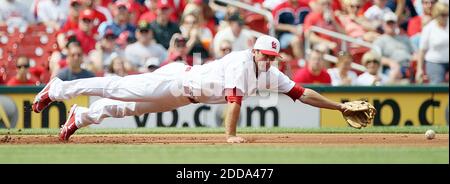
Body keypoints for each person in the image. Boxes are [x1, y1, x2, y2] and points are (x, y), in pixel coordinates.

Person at [32, 35, 357, 143]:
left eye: (273, 56)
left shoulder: (268, 71)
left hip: (181, 96)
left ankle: (81, 116)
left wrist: (340, 107)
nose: (269, 60)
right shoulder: (242, 62)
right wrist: (229, 136)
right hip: (176, 79)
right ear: (255, 50)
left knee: (127, 107)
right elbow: (233, 103)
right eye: (265, 54)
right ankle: (59, 87)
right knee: (119, 87)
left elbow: (302, 93)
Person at [415, 2, 449, 84]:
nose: (445, 17)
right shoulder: (429, 28)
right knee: (437, 84)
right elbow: (422, 50)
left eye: (447, 14)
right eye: (442, 15)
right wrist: (419, 69)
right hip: (434, 62)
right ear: (436, 15)